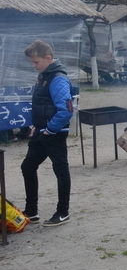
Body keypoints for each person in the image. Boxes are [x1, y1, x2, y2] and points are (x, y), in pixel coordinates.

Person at [21, 40, 74, 227]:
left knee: (60, 170)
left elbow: (66, 110)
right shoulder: (43, 75)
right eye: (32, 63)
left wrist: (50, 129)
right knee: (27, 167)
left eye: (36, 62)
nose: (33, 66)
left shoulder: (57, 78)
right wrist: (37, 126)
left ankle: (62, 212)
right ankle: (31, 211)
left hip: (54, 133)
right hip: (41, 132)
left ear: (48, 58)